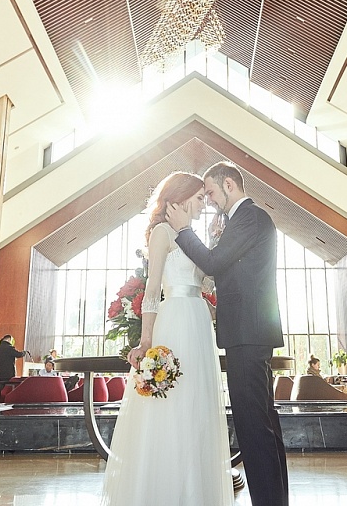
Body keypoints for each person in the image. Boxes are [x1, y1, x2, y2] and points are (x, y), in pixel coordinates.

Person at [102, 172, 233, 506]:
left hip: (199, 321)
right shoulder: (162, 232)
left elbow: (204, 284)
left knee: (198, 404)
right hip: (174, 319)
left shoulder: (193, 235)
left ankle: (196, 492)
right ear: (183, 196)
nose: (205, 204)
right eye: (201, 197)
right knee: (172, 403)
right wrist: (146, 341)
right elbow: (152, 290)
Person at [166, 160, 289, 506]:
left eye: (211, 192)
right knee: (262, 425)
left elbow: (215, 263)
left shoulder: (250, 217)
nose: (210, 200)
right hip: (248, 331)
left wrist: (183, 231)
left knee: (254, 428)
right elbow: (233, 270)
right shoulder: (244, 220)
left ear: (230, 185)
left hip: (248, 334)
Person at [0, 334, 31, 404]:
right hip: (7, 375)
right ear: (9, 340)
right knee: (6, 391)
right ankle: (3, 406)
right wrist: (24, 352)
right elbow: (19, 354)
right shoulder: (10, 348)